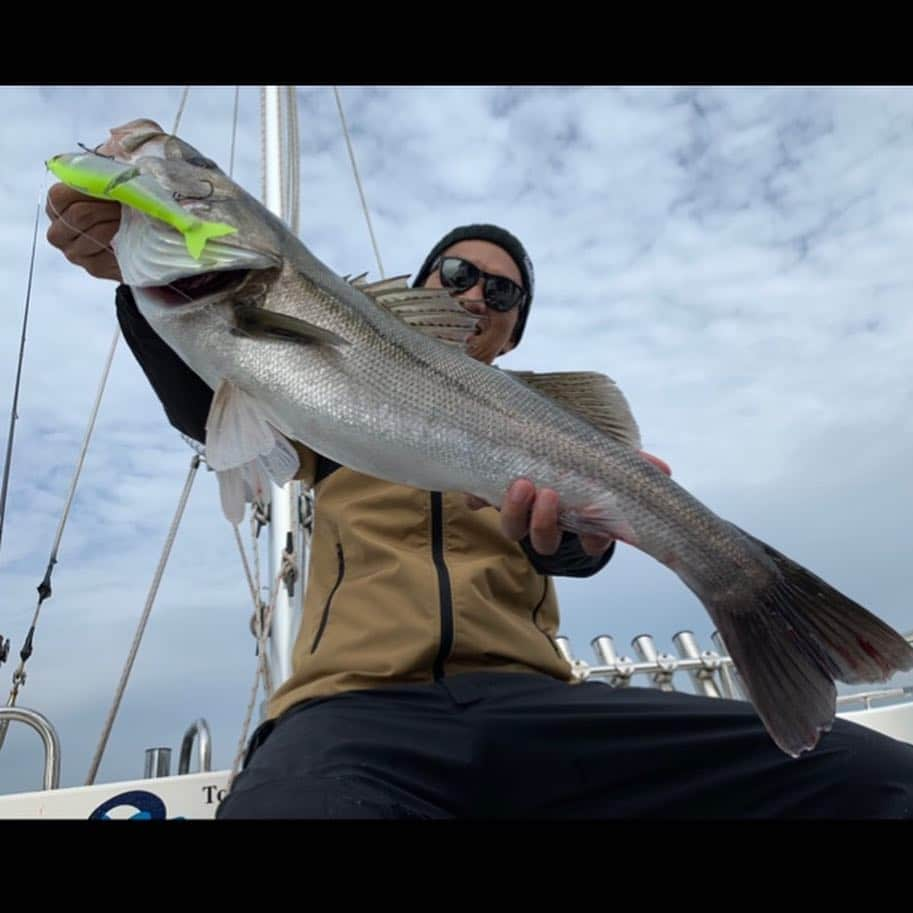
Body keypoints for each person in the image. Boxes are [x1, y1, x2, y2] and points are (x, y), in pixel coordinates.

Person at [45, 180, 913, 819]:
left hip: (538, 707)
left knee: (878, 781)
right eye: (459, 271)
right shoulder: (317, 401)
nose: (475, 294)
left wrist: (564, 542)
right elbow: (208, 402)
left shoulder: (562, 412)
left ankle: (756, 589)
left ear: (514, 326)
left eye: (502, 291)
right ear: (415, 288)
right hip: (353, 714)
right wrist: (133, 277)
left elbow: (588, 550)